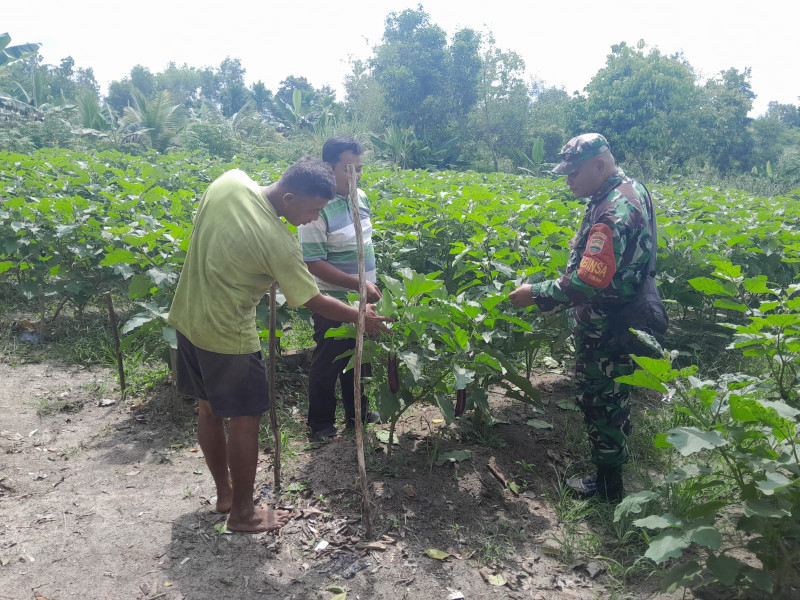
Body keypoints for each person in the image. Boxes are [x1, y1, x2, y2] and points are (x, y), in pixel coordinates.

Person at [168, 158, 391, 532]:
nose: (311, 219)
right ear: (288, 198)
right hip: (228, 337)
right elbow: (314, 301)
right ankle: (242, 514)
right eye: (313, 210)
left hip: (187, 319)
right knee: (246, 421)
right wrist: (361, 318)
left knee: (208, 411)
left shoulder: (230, 181)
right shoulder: (277, 241)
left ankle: (225, 495)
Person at [509, 133, 666, 501]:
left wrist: (536, 293)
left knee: (602, 400)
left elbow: (588, 281)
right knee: (613, 396)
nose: (568, 180)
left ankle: (608, 486)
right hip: (622, 316)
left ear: (600, 165)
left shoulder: (612, 211)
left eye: (574, 172)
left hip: (608, 326)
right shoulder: (630, 189)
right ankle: (612, 468)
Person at [298, 136, 382, 441]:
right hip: (331, 299)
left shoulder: (361, 197)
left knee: (361, 355)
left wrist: (369, 285)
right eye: (348, 168)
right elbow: (314, 262)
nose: (355, 175)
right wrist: (358, 283)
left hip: (366, 295)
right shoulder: (317, 207)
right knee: (329, 359)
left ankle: (357, 412)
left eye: (359, 168)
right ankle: (320, 424)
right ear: (328, 166)